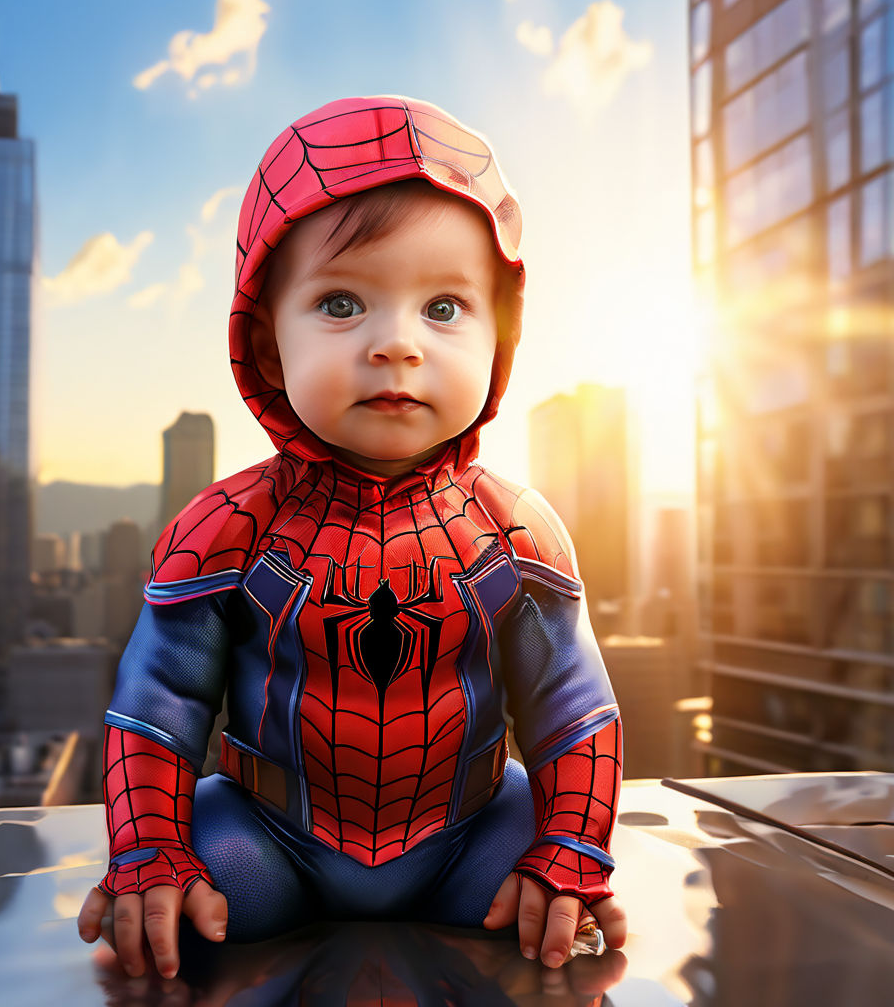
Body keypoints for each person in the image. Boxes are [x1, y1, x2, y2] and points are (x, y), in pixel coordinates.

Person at [78, 95, 627, 981]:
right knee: (206, 899)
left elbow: (574, 708)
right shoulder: (225, 529)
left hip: (473, 839)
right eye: (341, 302)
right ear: (264, 345)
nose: (396, 344)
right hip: (267, 840)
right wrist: (148, 858)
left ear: (503, 338)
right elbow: (157, 706)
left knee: (536, 882)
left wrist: (571, 851)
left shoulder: (517, 532)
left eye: (445, 308)